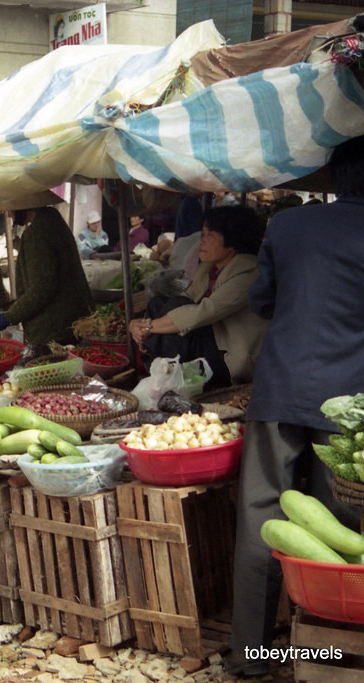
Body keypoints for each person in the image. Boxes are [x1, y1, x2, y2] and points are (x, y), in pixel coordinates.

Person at [225, 136, 364, 678]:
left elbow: (262, 301)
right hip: (350, 408)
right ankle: (337, 653)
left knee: (263, 518)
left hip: (281, 390)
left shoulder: (288, 226)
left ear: (333, 179)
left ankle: (251, 654)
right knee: (341, 526)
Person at [129, 206, 268, 388]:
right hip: (211, 341)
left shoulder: (249, 273)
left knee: (176, 309)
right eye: (203, 233)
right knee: (159, 303)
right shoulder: (209, 268)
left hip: (231, 356)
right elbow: (187, 299)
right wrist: (140, 325)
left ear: (233, 240)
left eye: (210, 235)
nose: (202, 241)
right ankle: (162, 377)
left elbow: (203, 312)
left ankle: (164, 380)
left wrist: (147, 327)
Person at [0, 207, 92, 344]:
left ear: (23, 206)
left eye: (10, 210)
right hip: (72, 321)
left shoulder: (37, 233)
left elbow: (41, 288)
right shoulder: (53, 221)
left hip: (55, 329)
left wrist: (9, 317)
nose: (9, 214)